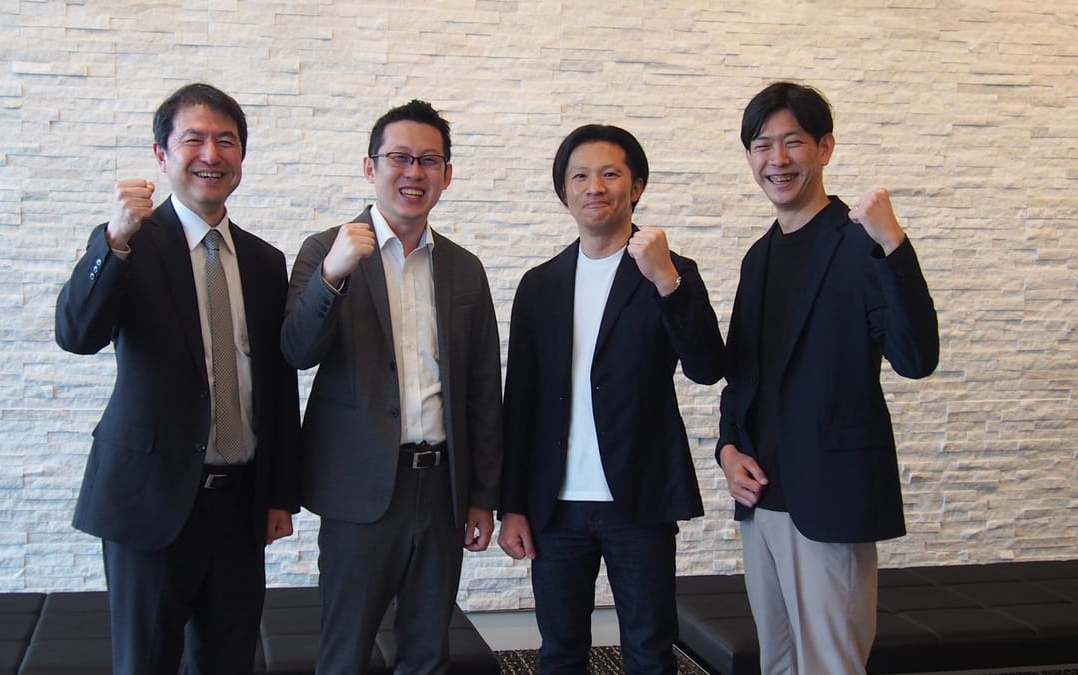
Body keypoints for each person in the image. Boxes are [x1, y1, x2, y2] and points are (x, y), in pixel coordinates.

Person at [54, 83, 301, 674]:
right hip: (151, 502)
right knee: (145, 663)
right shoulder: (128, 244)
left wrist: (279, 494)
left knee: (229, 661)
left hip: (238, 505)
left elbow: (276, 385)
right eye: (194, 139)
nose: (211, 154)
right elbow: (76, 334)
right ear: (162, 154)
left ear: (242, 156)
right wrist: (113, 240)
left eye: (226, 141)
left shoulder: (265, 261)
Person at [717, 81, 940, 674]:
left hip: (830, 497)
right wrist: (727, 448)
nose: (777, 159)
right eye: (762, 145)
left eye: (793, 142)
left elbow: (916, 358)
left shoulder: (862, 243)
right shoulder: (758, 257)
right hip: (761, 497)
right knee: (777, 663)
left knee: (831, 666)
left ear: (825, 148)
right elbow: (742, 376)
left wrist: (894, 244)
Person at [281, 99, 503, 675]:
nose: (414, 172)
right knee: (345, 651)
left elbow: (484, 390)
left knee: (428, 650)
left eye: (429, 161)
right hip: (360, 492)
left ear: (447, 174)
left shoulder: (464, 268)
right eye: (399, 158)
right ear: (370, 167)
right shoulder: (325, 250)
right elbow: (297, 351)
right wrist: (332, 276)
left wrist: (483, 494)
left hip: (442, 489)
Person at [497, 124, 726, 674]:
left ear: (636, 187)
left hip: (639, 499)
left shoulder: (671, 271)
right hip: (555, 506)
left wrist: (666, 281)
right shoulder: (540, 284)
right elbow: (520, 402)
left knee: (649, 651)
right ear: (564, 191)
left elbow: (707, 367)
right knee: (559, 653)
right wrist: (513, 505)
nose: (594, 186)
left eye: (609, 174)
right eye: (580, 175)